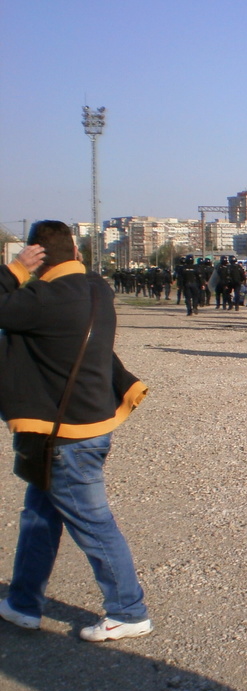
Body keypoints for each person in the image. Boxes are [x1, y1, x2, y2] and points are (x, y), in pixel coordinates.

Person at [0, 221, 151, 641]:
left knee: (93, 522)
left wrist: (14, 271)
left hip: (65, 433)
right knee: (38, 517)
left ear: (36, 255)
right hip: (86, 423)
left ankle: (129, 610)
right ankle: (22, 603)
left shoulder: (40, 298)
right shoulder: (97, 288)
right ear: (77, 253)